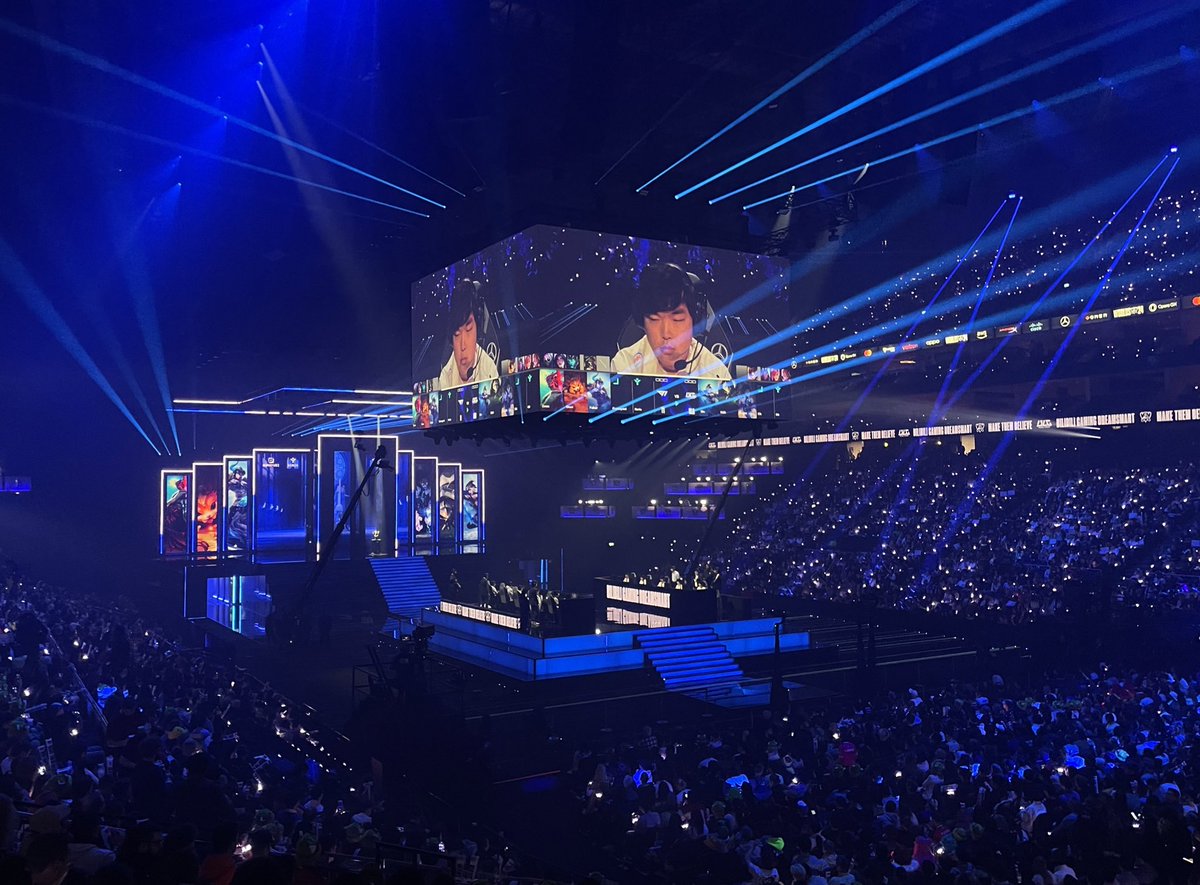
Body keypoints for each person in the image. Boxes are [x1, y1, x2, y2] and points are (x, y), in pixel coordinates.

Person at [612, 262, 731, 380]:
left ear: (695, 319)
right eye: (654, 319)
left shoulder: (716, 373)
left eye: (677, 320)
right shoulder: (624, 365)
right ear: (641, 322)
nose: (666, 333)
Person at [438, 279, 498, 389]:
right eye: (457, 334)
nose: (462, 346)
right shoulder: (445, 377)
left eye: (469, 329)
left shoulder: (489, 369)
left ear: (478, 330)